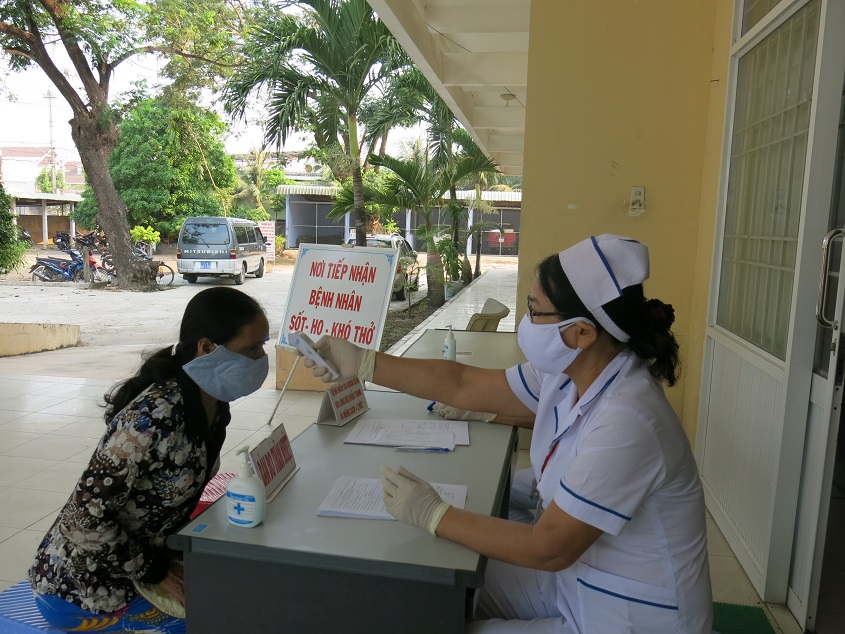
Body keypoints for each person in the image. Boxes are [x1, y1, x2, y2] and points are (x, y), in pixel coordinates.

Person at [304, 234, 712, 633]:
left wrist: (435, 514)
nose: (525, 322)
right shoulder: (570, 373)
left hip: (630, 615)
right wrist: (364, 362)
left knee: (446, 610)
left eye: (536, 312)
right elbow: (462, 383)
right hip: (578, 579)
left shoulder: (630, 419)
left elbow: (547, 547)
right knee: (444, 593)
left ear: (583, 332)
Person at [29, 287, 270, 633]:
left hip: (147, 560)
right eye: (252, 348)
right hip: (84, 587)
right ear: (206, 348)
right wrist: (157, 572)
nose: (261, 358)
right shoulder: (150, 420)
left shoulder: (212, 403)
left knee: (256, 591)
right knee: (220, 619)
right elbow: (82, 521)